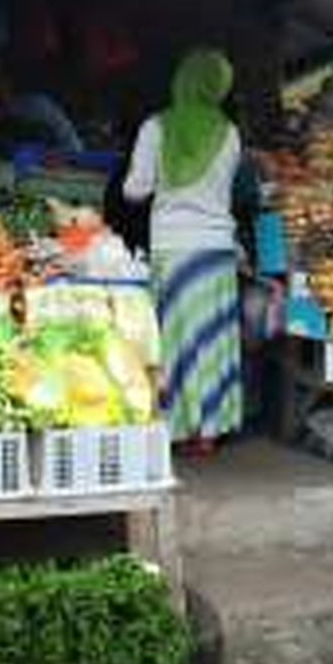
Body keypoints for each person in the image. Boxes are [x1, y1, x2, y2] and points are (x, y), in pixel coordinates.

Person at [122, 48, 243, 452]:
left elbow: (135, 190)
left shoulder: (156, 127)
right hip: (215, 250)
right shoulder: (230, 133)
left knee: (172, 339)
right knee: (210, 339)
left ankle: (171, 427)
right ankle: (207, 430)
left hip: (172, 247)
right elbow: (226, 190)